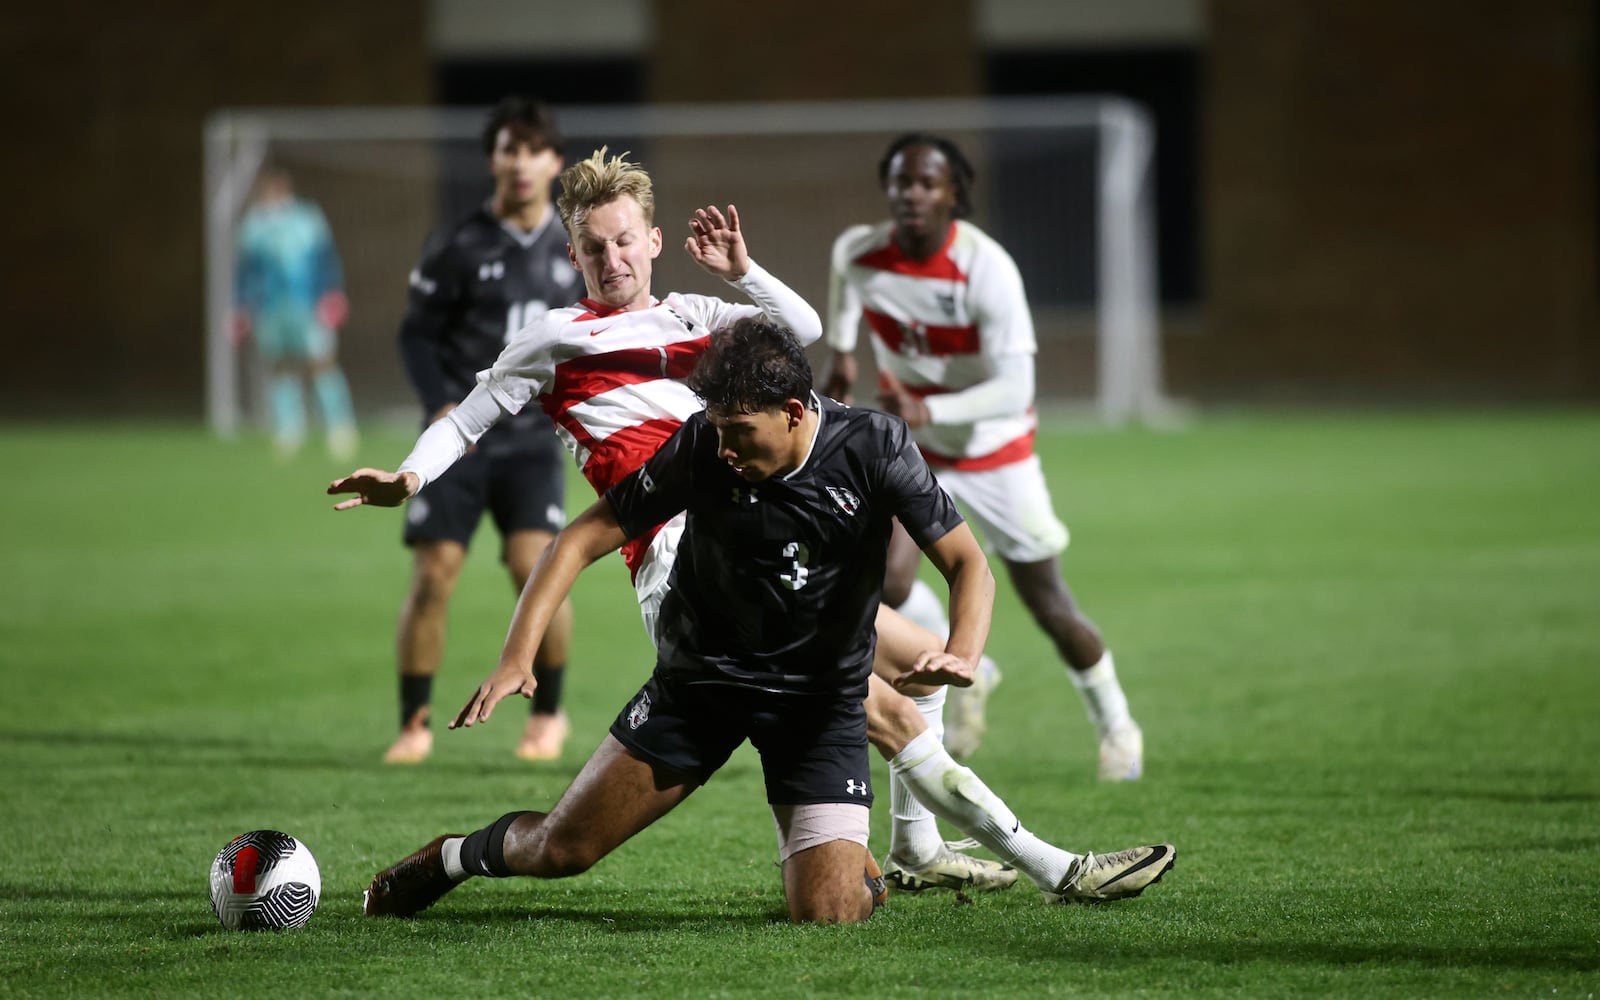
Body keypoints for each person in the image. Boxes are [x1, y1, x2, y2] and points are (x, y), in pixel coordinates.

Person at [330, 149, 1172, 902]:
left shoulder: (698, 320)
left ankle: (912, 847)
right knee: (871, 703)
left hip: (768, 536)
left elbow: (797, 339)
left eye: (626, 240)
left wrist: (745, 271)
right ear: (572, 254)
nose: (612, 258)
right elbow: (469, 418)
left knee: (925, 665)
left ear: (653, 241)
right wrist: (409, 475)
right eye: (593, 246)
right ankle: (1051, 868)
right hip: (673, 562)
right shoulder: (553, 338)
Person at [822, 132, 1145, 780]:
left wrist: (929, 409)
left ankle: (1117, 725)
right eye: (900, 182)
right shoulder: (859, 252)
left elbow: (1016, 389)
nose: (910, 194)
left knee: (1048, 602)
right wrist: (843, 349)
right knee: (885, 580)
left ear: (954, 194)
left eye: (926, 183)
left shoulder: (985, 268)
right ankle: (951, 657)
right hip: (918, 453)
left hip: (998, 455)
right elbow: (846, 289)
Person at [384, 96, 580, 765]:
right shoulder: (457, 243)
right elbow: (416, 336)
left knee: (537, 566)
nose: (520, 162)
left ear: (554, 161)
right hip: (458, 436)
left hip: (531, 444)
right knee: (434, 575)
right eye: (508, 148)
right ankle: (413, 724)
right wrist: (442, 402)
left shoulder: (575, 248)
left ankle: (548, 714)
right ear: (493, 159)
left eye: (533, 149)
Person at [233, 162, 358, 461]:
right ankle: (290, 429)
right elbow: (246, 272)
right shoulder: (253, 227)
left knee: (321, 363)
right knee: (280, 365)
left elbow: (326, 258)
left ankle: (340, 426)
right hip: (272, 307)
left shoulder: (307, 219)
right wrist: (240, 306)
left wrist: (332, 293)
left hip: (308, 304)